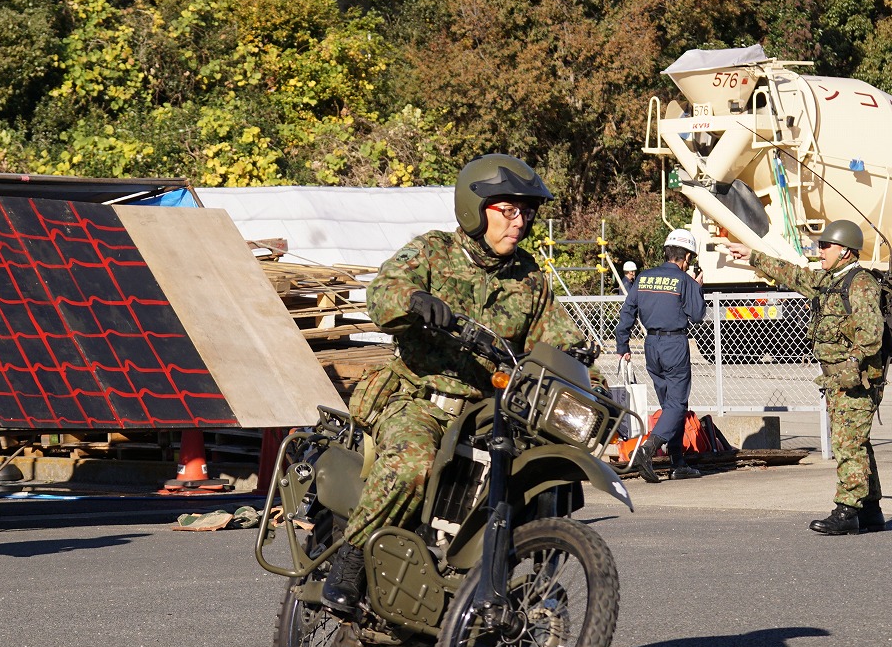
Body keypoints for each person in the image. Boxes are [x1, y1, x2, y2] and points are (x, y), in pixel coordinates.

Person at [321, 154, 595, 614]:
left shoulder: (529, 278)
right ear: (475, 207)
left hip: (487, 411)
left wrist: (593, 381)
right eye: (508, 210)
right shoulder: (432, 251)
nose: (520, 221)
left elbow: (560, 342)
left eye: (526, 212)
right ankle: (349, 560)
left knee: (535, 473)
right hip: (417, 397)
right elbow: (382, 292)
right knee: (413, 464)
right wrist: (416, 299)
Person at [727, 221, 884, 534]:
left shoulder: (860, 282)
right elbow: (794, 274)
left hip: (854, 380)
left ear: (845, 251)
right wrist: (753, 256)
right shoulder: (828, 279)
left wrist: (852, 364)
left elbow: (872, 331)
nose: (820, 250)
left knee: (847, 444)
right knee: (857, 443)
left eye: (826, 245)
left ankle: (846, 511)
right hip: (837, 379)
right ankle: (870, 510)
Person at [614, 229, 706, 483]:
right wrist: (697, 288)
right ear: (686, 257)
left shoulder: (643, 278)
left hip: (651, 345)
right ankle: (647, 448)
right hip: (675, 343)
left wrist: (623, 346)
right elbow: (697, 316)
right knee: (677, 404)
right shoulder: (685, 281)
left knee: (670, 406)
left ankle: (678, 462)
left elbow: (626, 314)